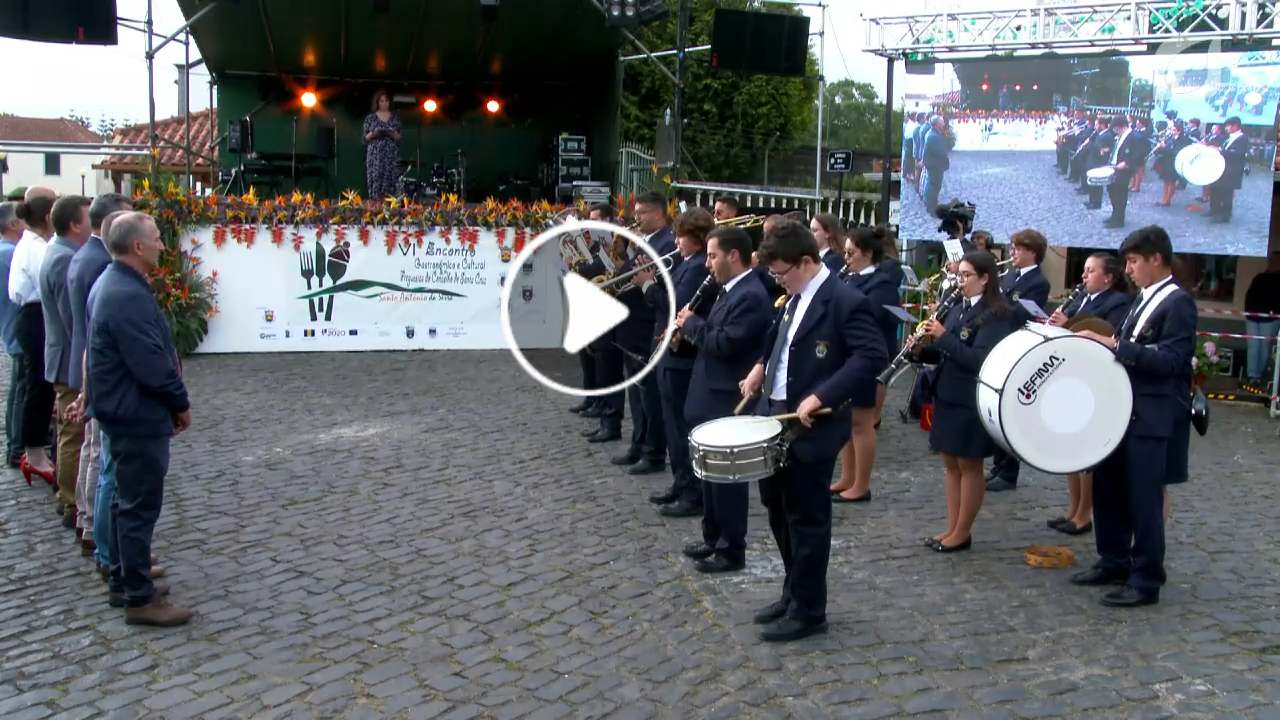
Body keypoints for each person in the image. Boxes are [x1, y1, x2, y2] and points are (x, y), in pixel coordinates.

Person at [738, 220, 888, 642]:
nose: (778, 281)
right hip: (774, 416)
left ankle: (809, 609)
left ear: (806, 261)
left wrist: (822, 394)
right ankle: (792, 591)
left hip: (812, 425)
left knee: (806, 518)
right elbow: (780, 341)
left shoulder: (845, 300)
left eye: (781, 273)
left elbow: (871, 356)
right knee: (776, 508)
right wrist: (760, 367)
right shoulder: (793, 295)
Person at [1070, 225, 1196, 608]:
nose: (1128, 269)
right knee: (1108, 490)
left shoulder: (1178, 302)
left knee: (1144, 500)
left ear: (1157, 259)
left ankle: (1146, 579)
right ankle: (1113, 560)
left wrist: (1114, 344)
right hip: (1122, 409)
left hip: (1152, 414)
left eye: (1134, 261)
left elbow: (1172, 360)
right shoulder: (1142, 298)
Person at [86, 211, 192, 626]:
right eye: (157, 238)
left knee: (124, 502)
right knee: (137, 507)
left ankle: (124, 579)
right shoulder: (125, 294)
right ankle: (138, 596)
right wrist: (179, 402)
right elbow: (150, 363)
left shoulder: (117, 285)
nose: (162, 245)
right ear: (137, 246)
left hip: (124, 411)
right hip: (135, 414)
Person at [677, 226, 771, 572]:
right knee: (709, 475)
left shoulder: (751, 295)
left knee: (727, 480)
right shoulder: (729, 290)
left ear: (733, 255)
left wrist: (691, 325)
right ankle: (713, 536)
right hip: (710, 394)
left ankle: (731, 549)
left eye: (712, 255)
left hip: (727, 399)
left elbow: (725, 343)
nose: (707, 264)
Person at [912, 250, 1016, 552]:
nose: (960, 281)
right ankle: (951, 526)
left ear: (985, 278)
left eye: (966, 275)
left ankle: (963, 531)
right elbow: (945, 353)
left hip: (970, 397)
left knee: (968, 464)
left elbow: (979, 359)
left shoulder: (997, 313)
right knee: (950, 463)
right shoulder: (958, 307)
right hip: (947, 392)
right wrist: (921, 351)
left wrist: (943, 336)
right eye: (959, 275)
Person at [1046, 252, 1133, 536]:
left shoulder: (1117, 302)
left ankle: (1085, 514)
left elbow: (1104, 335)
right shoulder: (1083, 298)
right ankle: (1073, 509)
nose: (1083, 276)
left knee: (1085, 452)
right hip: (1073, 375)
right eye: (1084, 270)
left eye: (1091, 271)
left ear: (1108, 277)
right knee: (1071, 448)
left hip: (1093, 380)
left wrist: (1068, 324)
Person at [68, 194, 134, 558]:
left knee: (95, 453)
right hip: (103, 377)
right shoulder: (102, 265)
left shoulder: (87, 257)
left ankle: (90, 525)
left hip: (92, 372)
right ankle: (101, 537)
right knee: (103, 459)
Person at [640, 208, 712, 517]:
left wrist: (647, 284)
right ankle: (681, 483)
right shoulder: (687, 263)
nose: (676, 241)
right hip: (670, 352)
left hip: (682, 358)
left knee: (683, 430)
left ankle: (692, 491)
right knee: (673, 428)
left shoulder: (696, 266)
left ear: (695, 237)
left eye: (680, 236)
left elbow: (674, 304)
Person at [830, 226, 901, 503]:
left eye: (851, 253)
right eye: (845, 253)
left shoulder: (881, 284)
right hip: (845, 357)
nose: (846, 259)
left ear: (868, 254)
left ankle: (861, 484)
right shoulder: (850, 278)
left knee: (861, 422)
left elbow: (871, 318)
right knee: (846, 421)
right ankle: (847, 477)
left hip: (866, 359)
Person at [39, 194, 93, 530]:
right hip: (69, 360)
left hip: (63, 356)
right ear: (74, 224)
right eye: (88, 218)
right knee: (73, 434)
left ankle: (67, 496)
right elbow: (72, 319)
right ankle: (70, 500)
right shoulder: (64, 259)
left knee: (69, 432)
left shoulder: (60, 252)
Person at [611, 192, 674, 476]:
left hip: (646, 325)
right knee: (637, 395)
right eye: (636, 212)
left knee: (650, 398)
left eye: (642, 212)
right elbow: (627, 274)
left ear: (659, 213)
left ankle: (653, 451)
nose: (636, 217)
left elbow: (655, 283)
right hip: (632, 327)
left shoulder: (666, 243)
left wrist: (641, 279)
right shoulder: (646, 241)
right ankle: (639, 444)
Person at [986, 229, 1051, 493]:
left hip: (1015, 342)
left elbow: (1020, 313)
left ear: (1032, 252)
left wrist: (994, 307)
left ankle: (1009, 471)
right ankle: (998, 464)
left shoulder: (1039, 282)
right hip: (999, 341)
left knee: (1009, 409)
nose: (1012, 252)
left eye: (1017, 248)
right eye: (1012, 247)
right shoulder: (1011, 275)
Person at [8, 187, 57, 488]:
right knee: (37, 387)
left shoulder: (32, 243)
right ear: (49, 217)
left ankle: (35, 450)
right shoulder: (37, 249)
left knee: (38, 386)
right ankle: (34, 453)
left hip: (33, 315)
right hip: (36, 316)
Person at [580, 203, 625, 443]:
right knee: (602, 365)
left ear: (608, 220)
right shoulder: (598, 243)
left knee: (610, 370)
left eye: (596, 219)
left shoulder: (618, 239)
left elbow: (606, 268)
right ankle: (605, 418)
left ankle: (611, 421)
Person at [0, 202, 26, 468]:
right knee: (21, 391)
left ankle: (16, 443)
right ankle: (18, 446)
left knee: (19, 389)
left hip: (11, 329)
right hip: (18, 329)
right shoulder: (10, 254)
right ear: (12, 224)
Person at [1242, 251, 1280, 387]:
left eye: (1275, 261)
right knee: (1253, 346)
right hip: (1253, 317)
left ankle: (1260, 374)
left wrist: (1274, 312)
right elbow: (1249, 295)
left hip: (1270, 319)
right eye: (1271, 260)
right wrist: (1248, 311)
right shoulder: (1260, 277)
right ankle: (1252, 375)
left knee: (1265, 347)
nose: (1272, 263)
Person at [363, 90, 403, 201]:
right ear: (377, 103)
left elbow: (400, 138)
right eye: (381, 101)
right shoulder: (370, 118)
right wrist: (373, 134)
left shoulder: (395, 119)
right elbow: (364, 139)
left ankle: (391, 205)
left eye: (386, 101)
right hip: (375, 156)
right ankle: (375, 204)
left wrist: (393, 134)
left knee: (391, 182)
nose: (384, 103)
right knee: (376, 181)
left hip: (390, 155)